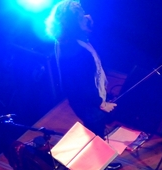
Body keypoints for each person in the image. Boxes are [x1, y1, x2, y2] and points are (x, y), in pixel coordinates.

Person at [47, 0, 116, 137]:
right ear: (73, 24)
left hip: (83, 101)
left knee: (96, 128)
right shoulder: (76, 51)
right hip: (89, 105)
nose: (86, 17)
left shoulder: (66, 40)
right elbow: (85, 86)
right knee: (97, 136)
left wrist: (87, 26)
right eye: (81, 17)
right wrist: (102, 104)